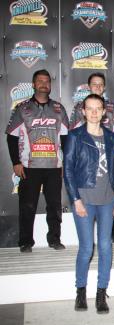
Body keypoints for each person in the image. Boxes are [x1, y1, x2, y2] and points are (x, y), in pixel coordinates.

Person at [64, 94, 114, 314]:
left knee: (106, 246)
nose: (94, 112)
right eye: (90, 108)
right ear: (83, 111)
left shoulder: (110, 136)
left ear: (104, 111)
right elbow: (68, 171)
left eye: (98, 108)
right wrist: (75, 200)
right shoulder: (75, 136)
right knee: (87, 247)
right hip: (85, 200)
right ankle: (81, 291)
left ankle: (101, 292)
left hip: (108, 199)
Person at [6, 69, 69, 253]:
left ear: (50, 85)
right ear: (33, 84)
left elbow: (66, 139)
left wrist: (65, 163)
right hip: (29, 167)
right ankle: (25, 241)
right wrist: (15, 162)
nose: (44, 84)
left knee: (55, 206)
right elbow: (11, 137)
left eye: (47, 81)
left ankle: (55, 239)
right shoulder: (22, 108)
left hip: (53, 167)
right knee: (27, 205)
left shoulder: (59, 109)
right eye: (40, 81)